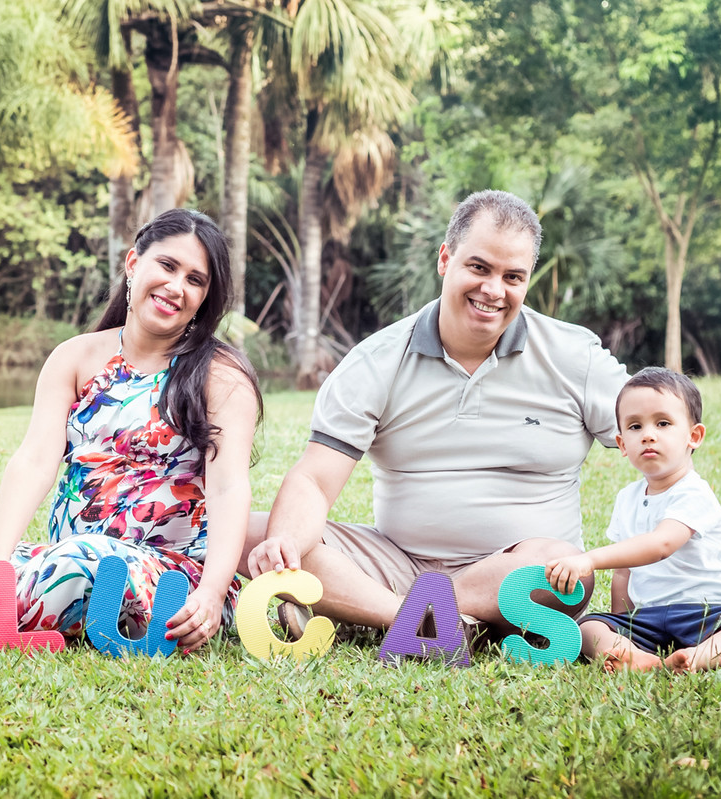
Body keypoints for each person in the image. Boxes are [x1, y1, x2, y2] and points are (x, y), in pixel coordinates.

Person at [0, 208, 262, 654]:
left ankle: (17, 613)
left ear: (205, 297)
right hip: (65, 560)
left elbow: (229, 488)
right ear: (134, 264)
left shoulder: (220, 376)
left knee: (91, 563)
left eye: (195, 280)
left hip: (172, 575)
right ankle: (31, 612)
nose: (176, 287)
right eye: (168, 266)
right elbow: (35, 460)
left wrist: (211, 593)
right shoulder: (75, 357)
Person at [245, 190, 628, 640]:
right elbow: (313, 480)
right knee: (251, 533)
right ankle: (431, 621)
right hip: (393, 561)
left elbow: (658, 439)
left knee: (563, 572)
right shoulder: (376, 360)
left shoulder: (574, 356)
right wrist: (285, 543)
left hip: (515, 573)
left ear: (528, 280)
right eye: (479, 267)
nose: (493, 290)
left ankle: (371, 612)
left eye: (513, 276)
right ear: (445, 259)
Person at [544, 367, 721, 672]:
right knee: (588, 628)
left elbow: (661, 543)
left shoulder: (694, 492)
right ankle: (636, 657)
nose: (648, 434)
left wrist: (590, 560)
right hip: (650, 618)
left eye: (663, 423)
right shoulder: (627, 498)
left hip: (712, 613)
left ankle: (700, 657)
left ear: (694, 436)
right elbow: (624, 573)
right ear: (622, 444)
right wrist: (621, 625)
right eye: (635, 427)